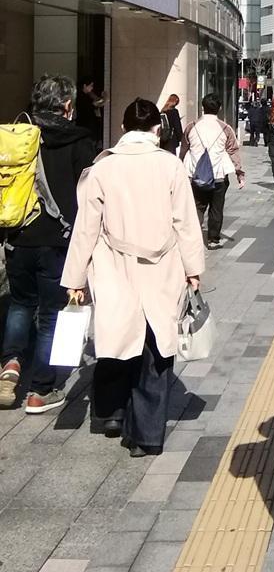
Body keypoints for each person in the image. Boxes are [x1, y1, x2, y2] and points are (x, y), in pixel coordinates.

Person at [61, 98, 204, 454]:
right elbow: (186, 222)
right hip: (162, 264)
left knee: (117, 339)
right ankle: (147, 435)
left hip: (113, 263)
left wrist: (74, 278)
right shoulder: (170, 166)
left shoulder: (103, 169)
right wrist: (194, 270)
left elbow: (86, 228)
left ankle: (112, 411)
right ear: (158, 129)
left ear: (123, 129)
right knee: (156, 349)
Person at [0, 76, 97, 414]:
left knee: (20, 304)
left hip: (18, 234)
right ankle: (40, 391)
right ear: (67, 105)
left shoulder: (18, 134)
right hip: (59, 240)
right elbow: (89, 196)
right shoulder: (79, 139)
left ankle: (11, 364)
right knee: (51, 315)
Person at [180, 94, 245, 248]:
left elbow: (184, 149)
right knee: (216, 208)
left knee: (197, 206)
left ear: (202, 107)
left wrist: (180, 167)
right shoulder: (225, 128)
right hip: (219, 175)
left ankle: (193, 237)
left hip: (195, 175)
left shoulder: (191, 126)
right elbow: (233, 151)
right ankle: (213, 240)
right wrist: (240, 174)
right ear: (220, 108)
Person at [75, 78, 105, 147]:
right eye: (91, 86)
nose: (92, 88)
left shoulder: (87, 95)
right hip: (85, 125)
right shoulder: (81, 96)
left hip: (87, 125)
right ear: (85, 86)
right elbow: (92, 105)